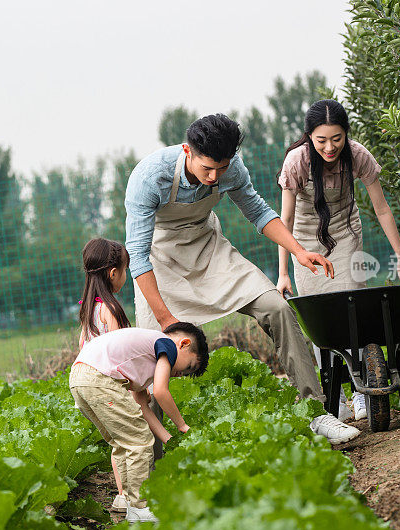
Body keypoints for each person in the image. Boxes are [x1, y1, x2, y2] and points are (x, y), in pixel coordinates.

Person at [125, 113, 360, 445]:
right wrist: (166, 319)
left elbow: (259, 212)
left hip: (208, 250)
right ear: (187, 150)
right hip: (159, 262)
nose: (214, 176)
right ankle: (154, 458)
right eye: (207, 168)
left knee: (276, 307)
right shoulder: (150, 177)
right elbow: (137, 254)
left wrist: (299, 251)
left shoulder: (230, 168)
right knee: (154, 354)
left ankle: (316, 412)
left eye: (221, 169)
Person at [276, 99, 400, 421]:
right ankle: (333, 396)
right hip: (305, 242)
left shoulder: (358, 155)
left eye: (336, 138)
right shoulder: (296, 162)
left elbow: (381, 208)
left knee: (354, 310)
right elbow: (284, 221)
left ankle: (362, 390)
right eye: (321, 140)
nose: (329, 147)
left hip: (346, 235)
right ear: (309, 136)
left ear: (346, 134)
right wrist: (284, 272)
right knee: (320, 322)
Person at [68, 322, 209, 524]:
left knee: (123, 441)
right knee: (139, 441)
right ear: (184, 344)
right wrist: (182, 426)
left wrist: (169, 439)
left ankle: (129, 501)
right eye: (188, 368)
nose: (181, 375)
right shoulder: (166, 344)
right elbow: (160, 391)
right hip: (98, 378)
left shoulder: (140, 360)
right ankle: (140, 507)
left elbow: (142, 408)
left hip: (80, 378)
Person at [77, 237, 132, 512]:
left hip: (82, 383)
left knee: (116, 439)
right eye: (125, 271)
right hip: (105, 384)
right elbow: (122, 351)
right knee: (134, 438)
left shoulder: (88, 310)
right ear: (113, 274)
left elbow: (81, 349)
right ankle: (134, 498)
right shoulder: (110, 309)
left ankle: (122, 496)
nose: (126, 277)